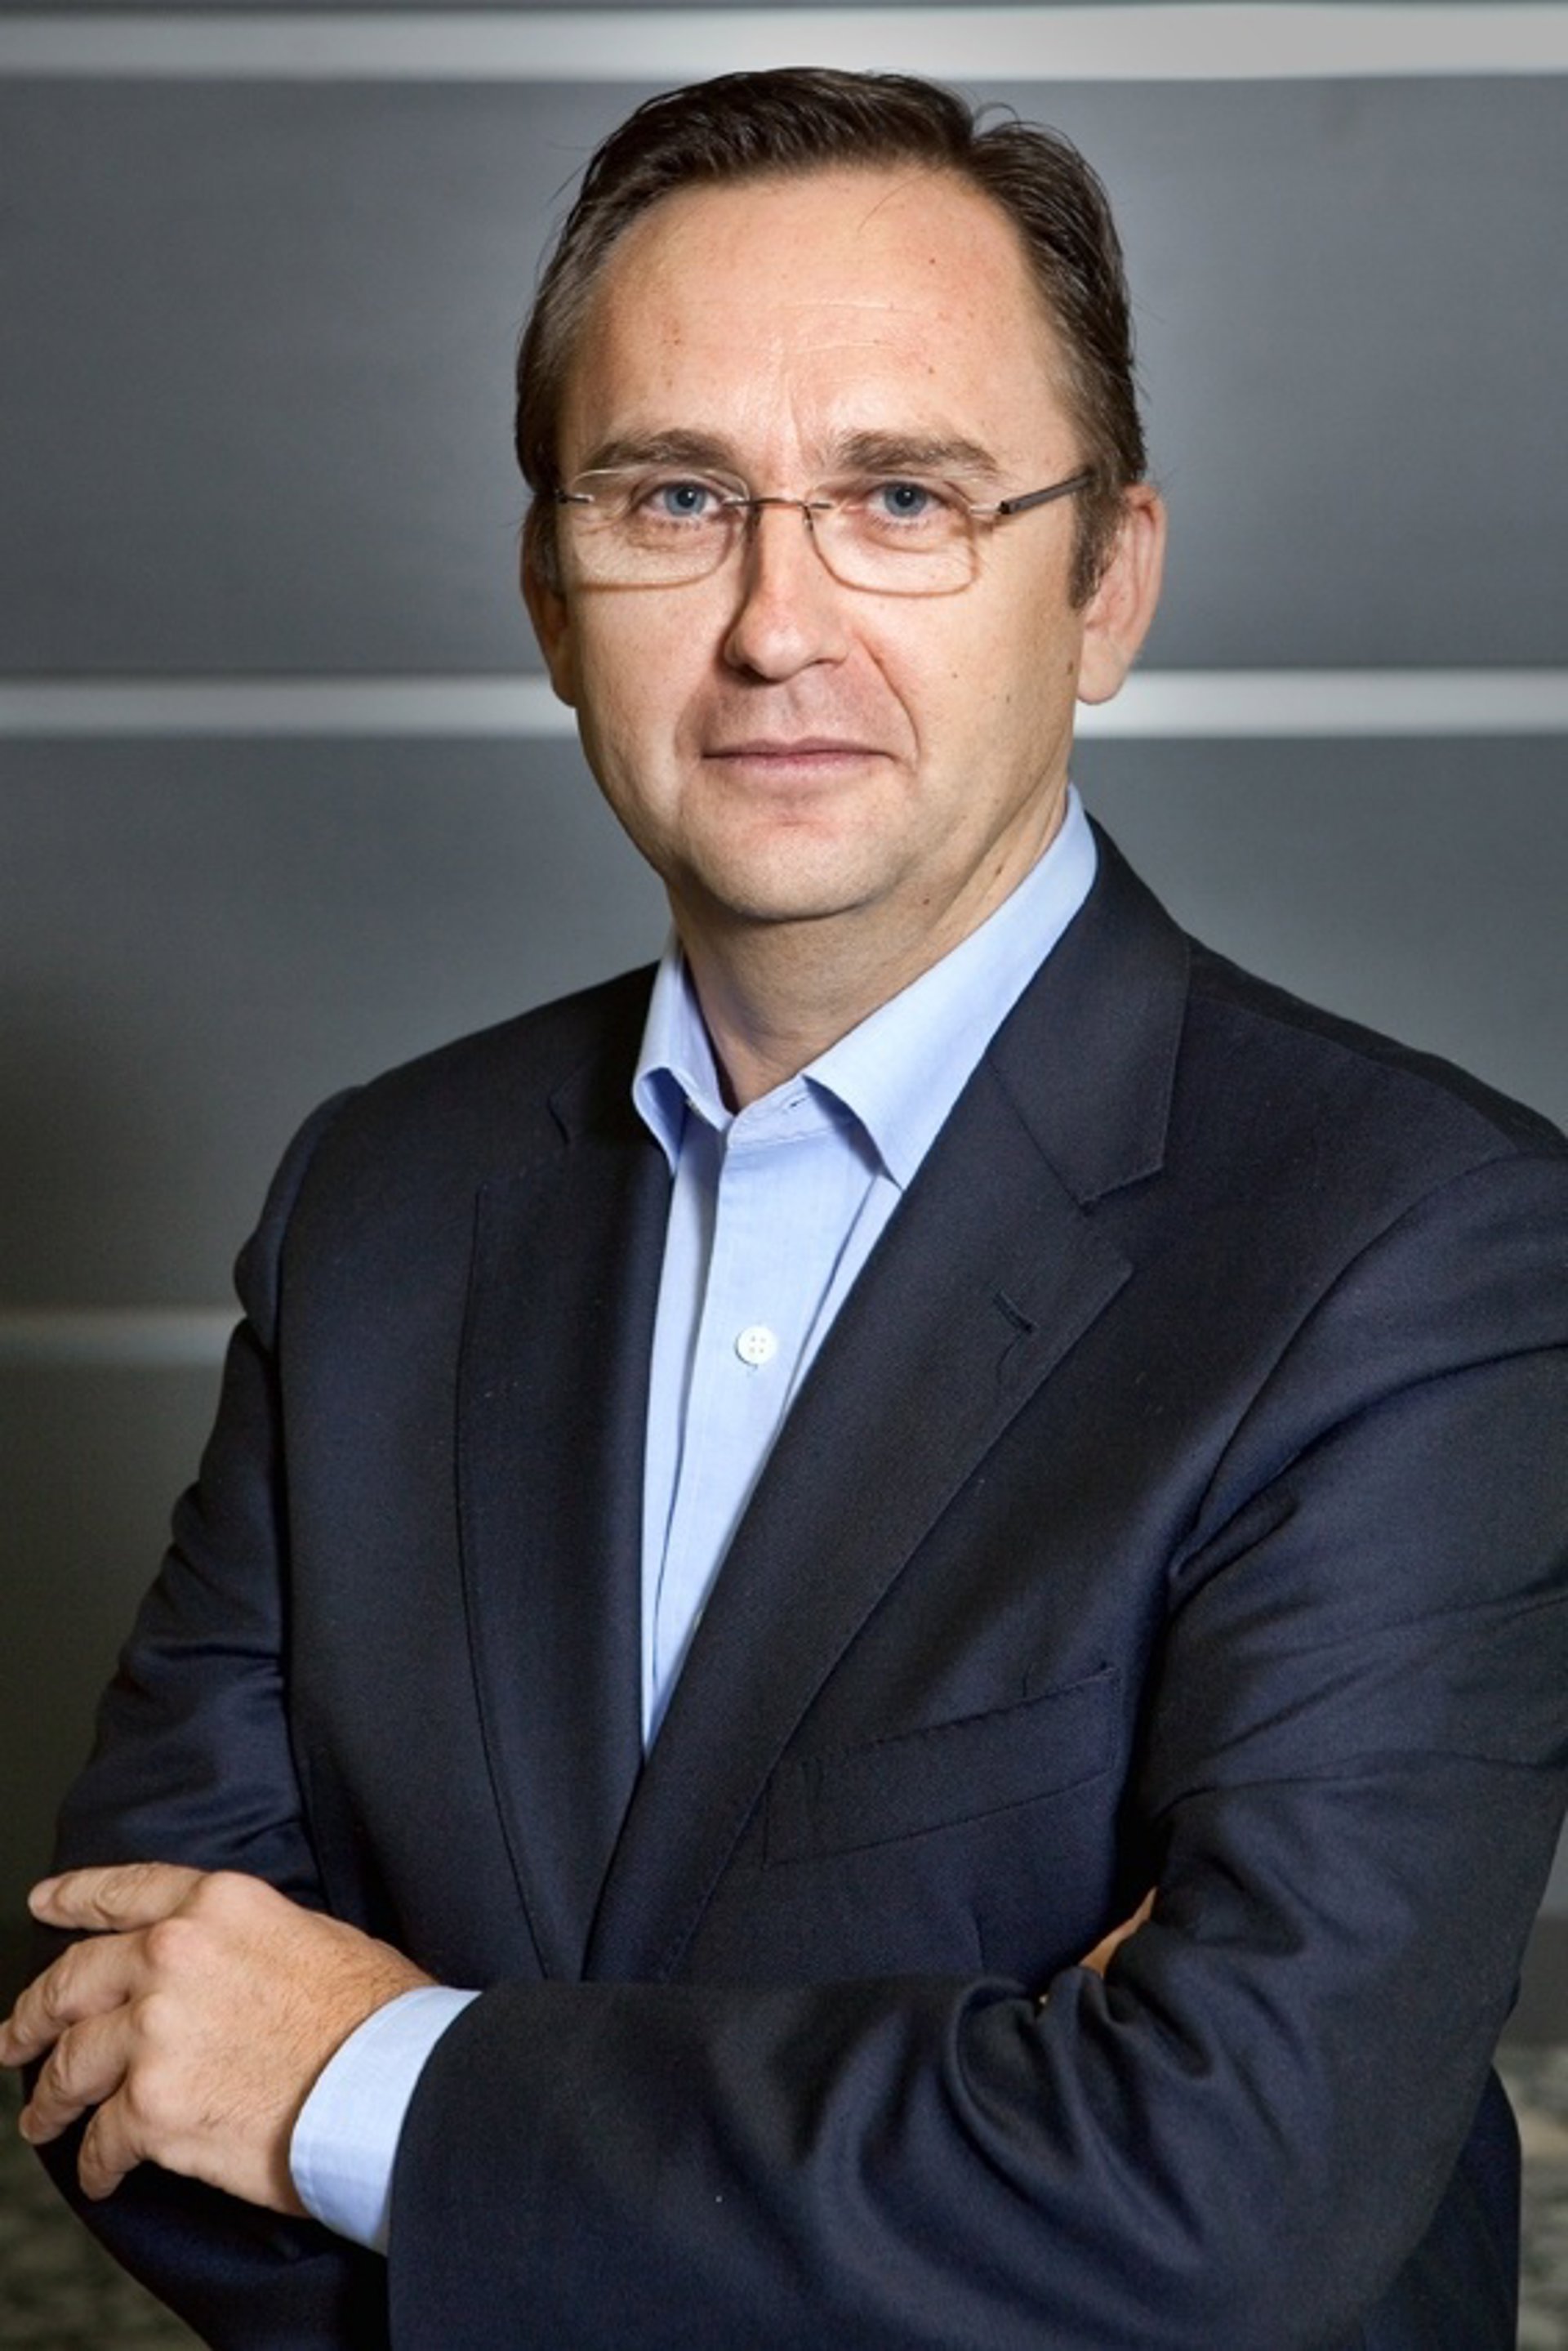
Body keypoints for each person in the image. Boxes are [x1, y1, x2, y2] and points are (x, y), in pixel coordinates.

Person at [3, 66, 1566, 2351]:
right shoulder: (382, 1204)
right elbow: (129, 2041)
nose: (773, 623)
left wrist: (358, 2084)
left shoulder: (1424, 1252)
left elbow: (1226, 2205)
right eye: (674, 497)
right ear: (552, 596)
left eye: (904, 497)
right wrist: (976, 2126)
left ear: (1107, 583)